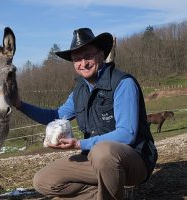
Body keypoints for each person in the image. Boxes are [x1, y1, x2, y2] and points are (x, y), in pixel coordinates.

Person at [14, 28, 158, 199]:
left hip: (135, 159)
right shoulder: (79, 91)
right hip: (96, 159)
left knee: (102, 152)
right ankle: (106, 193)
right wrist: (19, 105)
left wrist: (79, 144)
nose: (83, 63)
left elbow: (127, 134)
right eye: (77, 59)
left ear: (101, 55)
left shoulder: (123, 84)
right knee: (43, 180)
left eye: (88, 56)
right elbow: (55, 116)